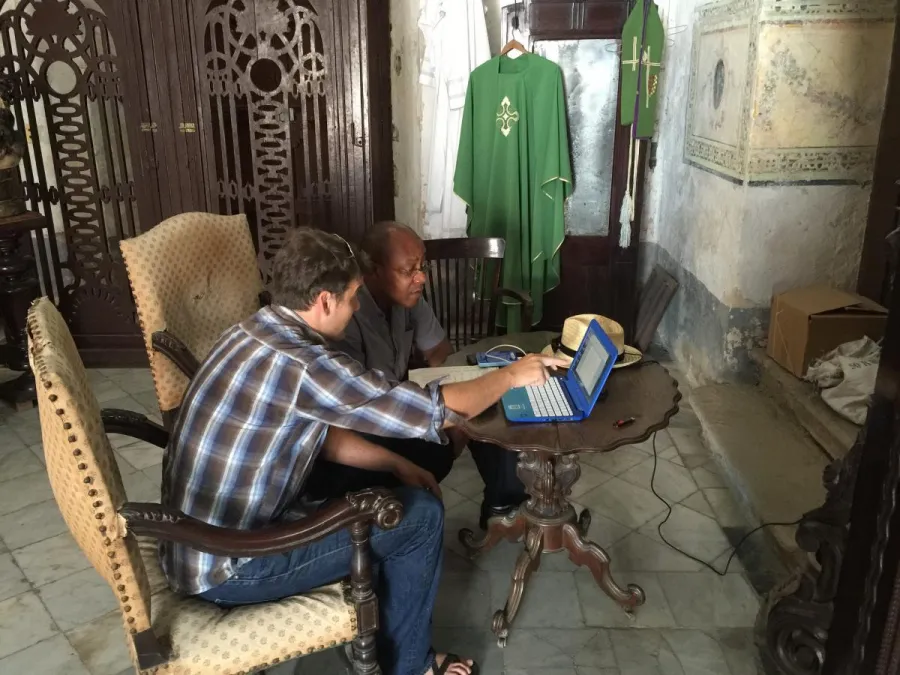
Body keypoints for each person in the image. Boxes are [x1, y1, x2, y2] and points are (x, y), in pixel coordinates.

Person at [160, 227, 564, 675]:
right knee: (420, 518)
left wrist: (395, 462)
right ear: (324, 301)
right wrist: (512, 376)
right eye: (352, 298)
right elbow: (431, 412)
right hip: (231, 567)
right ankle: (411, 666)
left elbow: (321, 435)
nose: (356, 308)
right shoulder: (306, 364)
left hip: (193, 544)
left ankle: (384, 629)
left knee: (394, 489)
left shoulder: (252, 330)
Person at [320, 221, 529, 527]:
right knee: (467, 411)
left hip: (401, 410)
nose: (421, 278)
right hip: (370, 430)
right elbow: (361, 411)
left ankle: (503, 505)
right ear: (373, 271)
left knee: (483, 399)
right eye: (408, 270)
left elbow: (440, 352)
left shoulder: (408, 300)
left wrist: (456, 387)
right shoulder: (347, 316)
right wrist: (449, 415)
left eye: (422, 267)